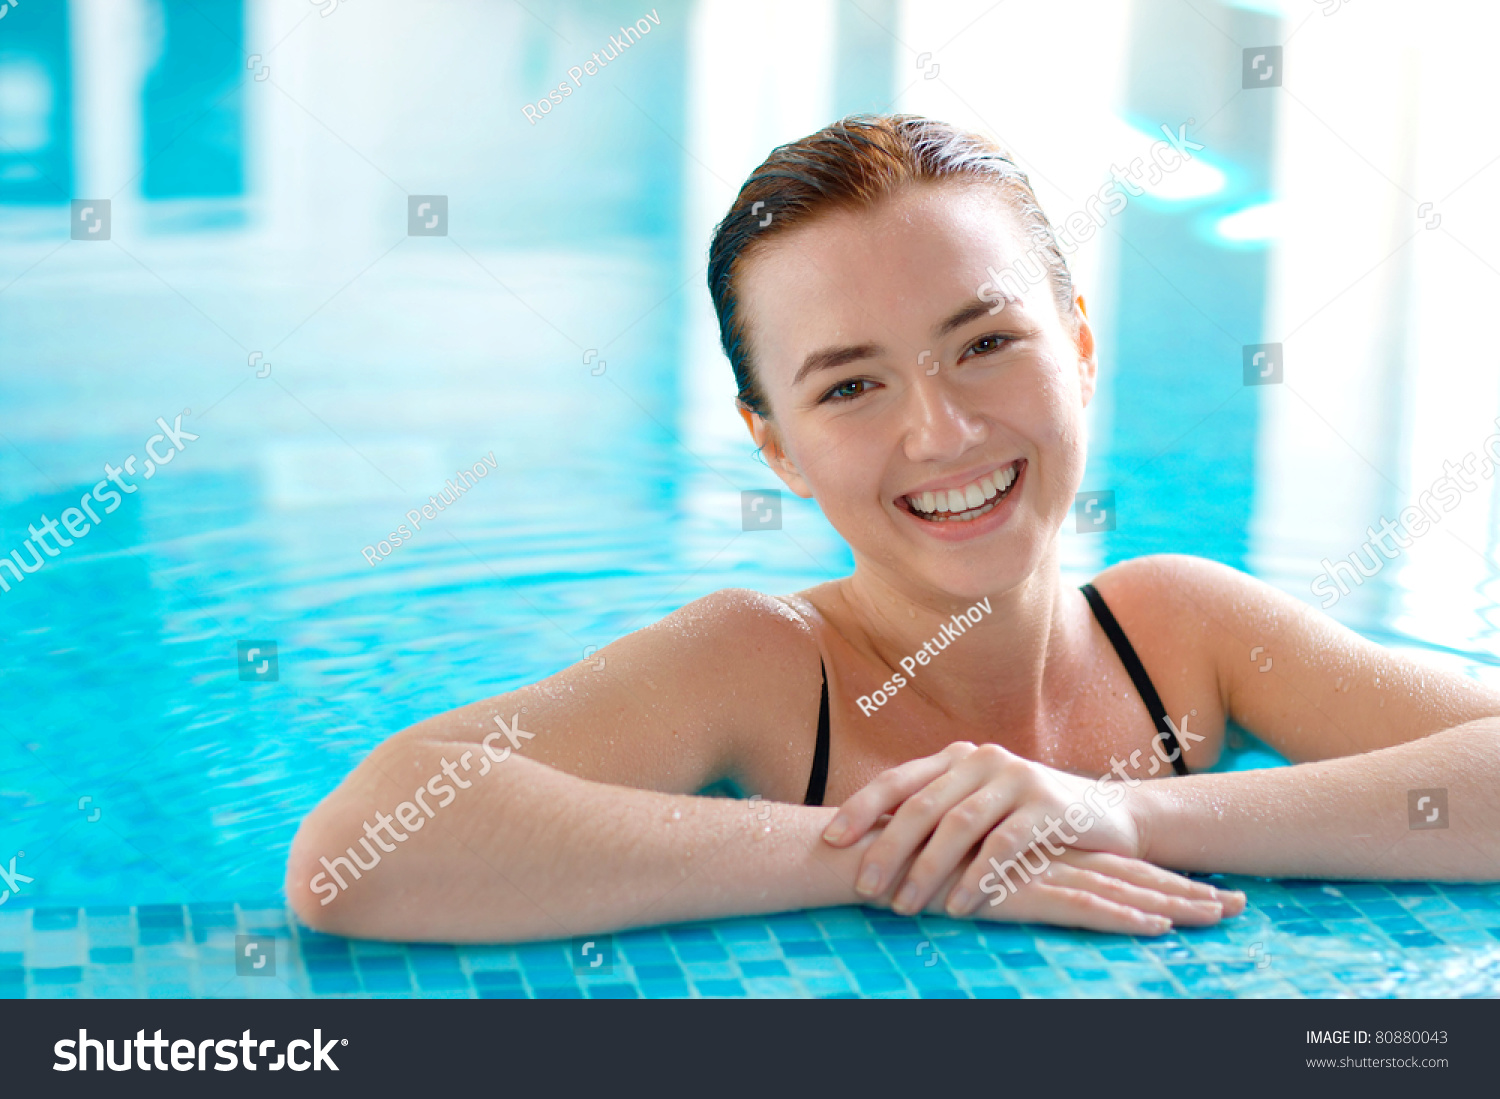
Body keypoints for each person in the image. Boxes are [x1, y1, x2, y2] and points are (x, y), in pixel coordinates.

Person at [287, 115, 1500, 943]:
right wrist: (897, 851)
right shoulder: (761, 668)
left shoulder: (1182, 633)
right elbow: (354, 852)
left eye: (984, 345)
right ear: (776, 445)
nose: (943, 432)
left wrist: (1125, 813)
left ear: (1078, 348)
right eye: (851, 385)